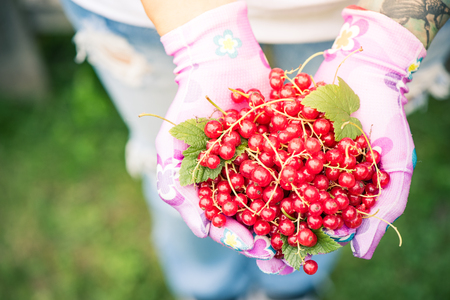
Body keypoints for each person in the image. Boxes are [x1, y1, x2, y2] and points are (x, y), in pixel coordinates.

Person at [60, 0, 450, 299]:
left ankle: (291, 290)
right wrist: (201, 38)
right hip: (155, 16)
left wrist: (383, 53)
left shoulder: (318, 168)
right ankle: (206, 288)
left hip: (359, 18)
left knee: (322, 227)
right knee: (180, 178)